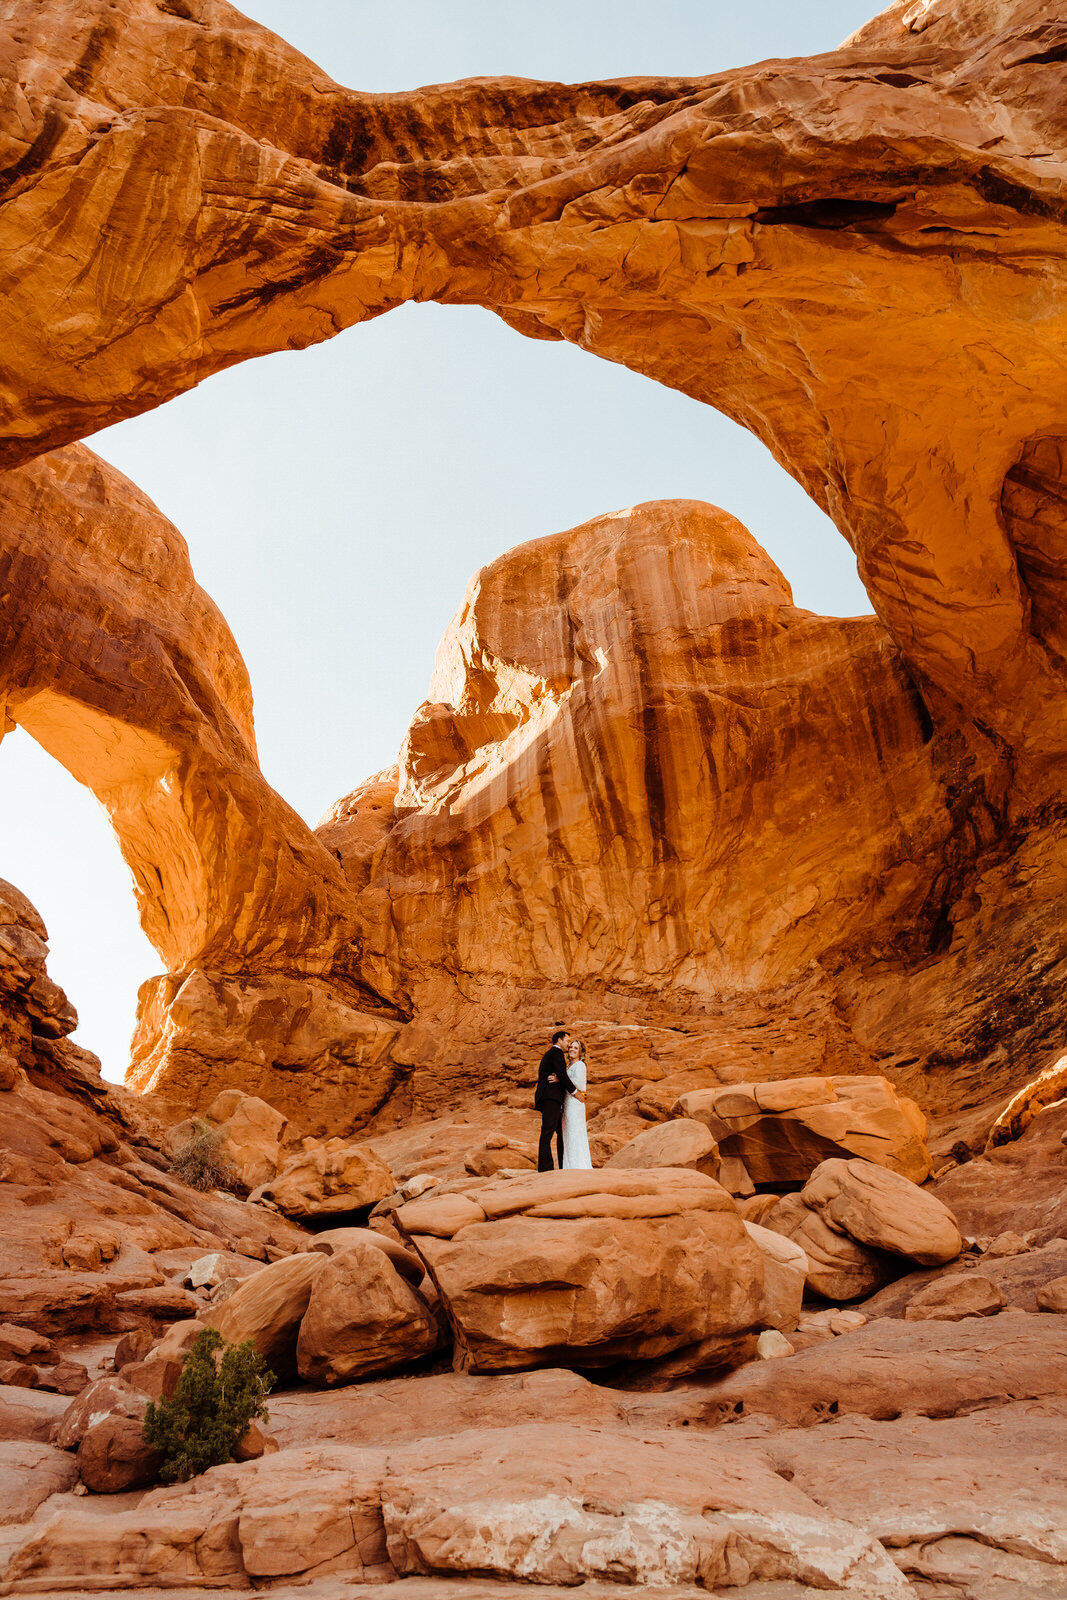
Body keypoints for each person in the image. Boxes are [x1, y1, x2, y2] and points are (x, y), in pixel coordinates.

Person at [535, 1028, 580, 1171]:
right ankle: (545, 1169)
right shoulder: (556, 1052)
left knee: (560, 1133)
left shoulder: (552, 1054)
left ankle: (563, 1165)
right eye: (567, 1041)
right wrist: (575, 1092)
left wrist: (559, 1078)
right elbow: (561, 1072)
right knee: (547, 1132)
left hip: (551, 1098)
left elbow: (559, 1074)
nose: (568, 1044)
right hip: (551, 1097)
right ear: (559, 1040)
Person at [561, 1037, 593, 1169]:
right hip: (568, 1102)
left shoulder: (580, 1065)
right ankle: (569, 1165)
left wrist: (561, 1079)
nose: (572, 1050)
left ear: (580, 1052)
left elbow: (580, 1084)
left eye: (576, 1048)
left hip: (575, 1103)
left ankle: (579, 1165)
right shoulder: (569, 1066)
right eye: (571, 1047)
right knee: (568, 1132)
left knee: (575, 1131)